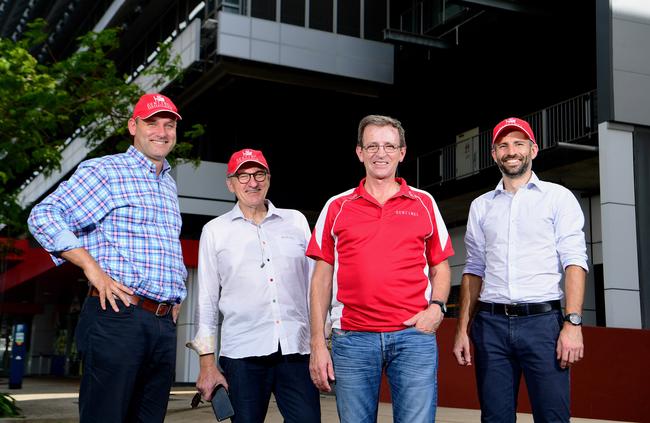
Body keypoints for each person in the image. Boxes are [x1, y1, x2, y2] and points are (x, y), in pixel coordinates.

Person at [28, 93, 187, 422]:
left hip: (160, 325)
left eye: (169, 125)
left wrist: (176, 296)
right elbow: (43, 215)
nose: (162, 131)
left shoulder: (167, 185)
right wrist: (92, 268)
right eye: (152, 123)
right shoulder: (106, 171)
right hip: (118, 316)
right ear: (133, 126)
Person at [307, 115, 454, 423]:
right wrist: (318, 344)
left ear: (402, 152)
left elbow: (440, 265)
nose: (380, 153)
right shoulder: (337, 206)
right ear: (359, 152)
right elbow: (321, 279)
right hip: (352, 338)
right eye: (372, 145)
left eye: (389, 145)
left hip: (413, 336)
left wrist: (437, 309)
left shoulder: (423, 202)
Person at [452, 117, 588, 422]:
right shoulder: (481, 206)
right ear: (494, 154)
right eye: (503, 145)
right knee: (494, 418)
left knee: (552, 417)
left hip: (543, 326)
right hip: (491, 325)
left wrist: (573, 324)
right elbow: (473, 269)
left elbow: (575, 262)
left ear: (533, 150)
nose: (510, 150)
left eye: (518, 143)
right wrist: (462, 330)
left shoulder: (558, 198)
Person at [188, 148, 321, 423]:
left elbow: (314, 285)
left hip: (296, 349)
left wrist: (323, 341)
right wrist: (207, 363)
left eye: (259, 174)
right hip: (242, 355)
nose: (253, 182)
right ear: (231, 184)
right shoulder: (215, 231)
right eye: (243, 175)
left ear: (269, 179)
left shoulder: (296, 221)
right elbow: (207, 300)